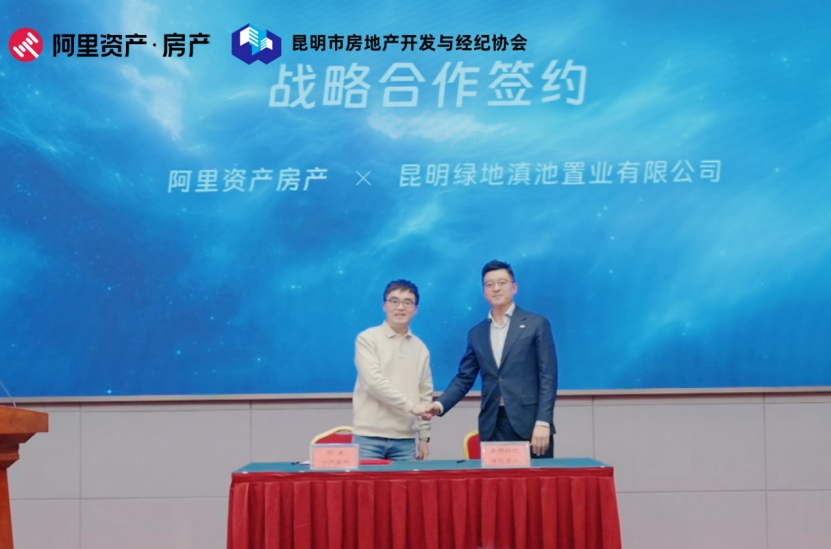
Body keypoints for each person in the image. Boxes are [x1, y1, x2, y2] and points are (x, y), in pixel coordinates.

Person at [415, 260, 558, 458]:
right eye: (490, 284)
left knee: (534, 479)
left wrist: (543, 422)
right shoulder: (477, 333)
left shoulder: (536, 324)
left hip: (531, 425)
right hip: (492, 425)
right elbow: (464, 378)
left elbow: (548, 377)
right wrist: (439, 405)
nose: (496, 288)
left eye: (502, 282)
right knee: (496, 479)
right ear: (484, 292)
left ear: (514, 287)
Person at [352, 279, 433, 460]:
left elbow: (424, 394)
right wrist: (411, 407)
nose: (400, 307)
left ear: (415, 309)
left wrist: (424, 437)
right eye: (394, 301)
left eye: (407, 302)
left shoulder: (421, 348)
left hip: (405, 441)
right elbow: (373, 383)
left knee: (408, 481)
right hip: (369, 439)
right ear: (385, 306)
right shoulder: (367, 339)